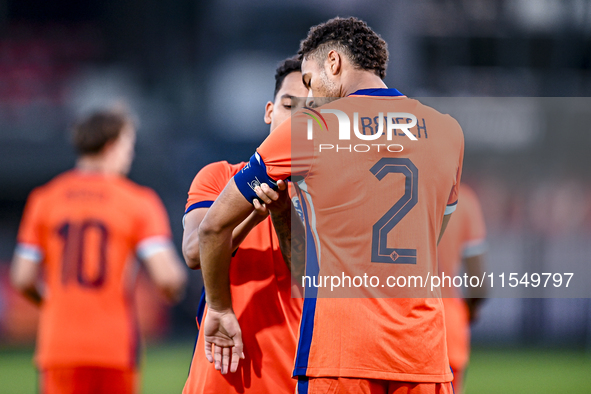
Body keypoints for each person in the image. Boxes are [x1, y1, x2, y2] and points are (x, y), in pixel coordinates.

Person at [197, 16, 464, 394]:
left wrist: (221, 309)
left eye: (310, 81)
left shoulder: (311, 129)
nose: (311, 97)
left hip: (340, 355)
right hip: (423, 355)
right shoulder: (447, 131)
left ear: (334, 63)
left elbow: (211, 227)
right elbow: (430, 237)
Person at [10, 109, 187, 394]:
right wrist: (180, 292)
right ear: (111, 145)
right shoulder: (138, 201)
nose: (130, 155)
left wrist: (53, 304)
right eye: (128, 145)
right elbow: (168, 278)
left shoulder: (44, 199)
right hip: (113, 346)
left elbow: (22, 277)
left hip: (59, 345)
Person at [182, 56, 308, 394]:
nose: (297, 119)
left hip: (290, 377)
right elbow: (194, 252)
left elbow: (310, 277)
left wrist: (282, 213)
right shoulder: (218, 176)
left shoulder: (330, 195)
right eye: (288, 105)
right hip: (218, 377)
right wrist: (253, 212)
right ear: (269, 111)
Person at [438, 184, 487, 394]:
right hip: (448, 325)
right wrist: (470, 309)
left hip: (397, 322)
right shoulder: (465, 201)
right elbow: (479, 285)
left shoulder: (392, 190)